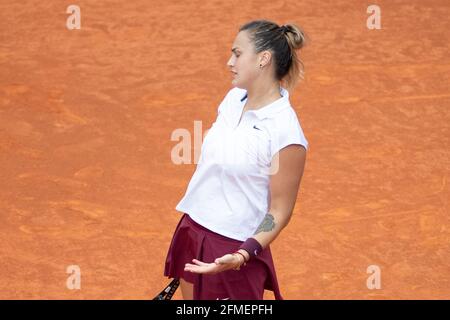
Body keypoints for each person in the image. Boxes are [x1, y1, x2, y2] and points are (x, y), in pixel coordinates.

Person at [164, 19, 309, 300]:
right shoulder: (233, 100)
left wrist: (244, 254)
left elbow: (280, 211)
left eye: (238, 54)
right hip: (193, 230)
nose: (230, 62)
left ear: (263, 59)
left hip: (233, 247)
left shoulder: (285, 132)